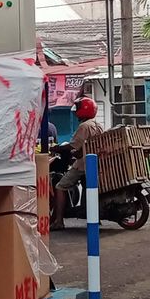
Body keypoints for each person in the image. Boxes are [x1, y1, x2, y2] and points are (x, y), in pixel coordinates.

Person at [52, 96, 103, 228]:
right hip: (95, 163)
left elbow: (72, 145)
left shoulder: (84, 126)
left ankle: (59, 221)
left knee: (60, 187)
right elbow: (83, 147)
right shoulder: (97, 125)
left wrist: (57, 148)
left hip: (83, 165)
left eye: (78, 109)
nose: (75, 112)